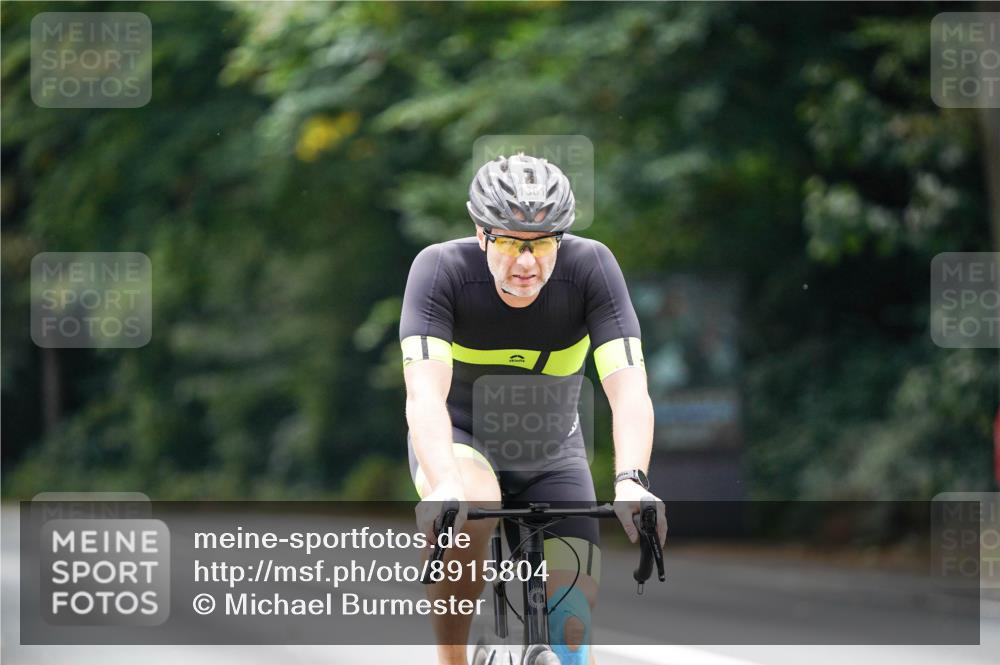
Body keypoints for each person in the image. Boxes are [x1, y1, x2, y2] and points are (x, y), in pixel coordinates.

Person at [401, 153, 667, 665]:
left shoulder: (591, 268)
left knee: (573, 631)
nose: (526, 263)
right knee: (471, 506)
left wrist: (632, 479)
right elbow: (424, 395)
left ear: (561, 240)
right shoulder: (440, 270)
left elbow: (630, 389)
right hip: (461, 441)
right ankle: (452, 660)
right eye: (509, 242)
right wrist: (444, 484)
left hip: (551, 450)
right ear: (481, 234)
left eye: (542, 244)